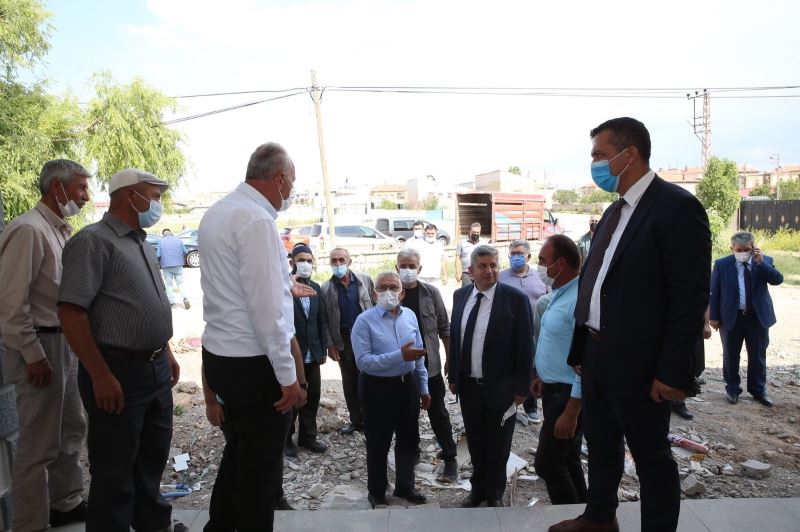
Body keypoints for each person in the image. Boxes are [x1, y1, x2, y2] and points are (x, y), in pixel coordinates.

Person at [550, 118, 711, 532]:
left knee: (651, 457)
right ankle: (599, 517)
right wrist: (582, 351)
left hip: (642, 364)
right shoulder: (613, 212)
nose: (594, 164)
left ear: (630, 154)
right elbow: (596, 283)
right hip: (598, 355)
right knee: (601, 445)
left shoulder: (676, 207)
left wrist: (671, 371)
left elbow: (689, 297)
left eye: (600, 155)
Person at [57, 168, 186, 532]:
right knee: (114, 469)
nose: (157, 204)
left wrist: (165, 350)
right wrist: (100, 374)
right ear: (131, 196)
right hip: (117, 371)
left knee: (151, 458)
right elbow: (71, 312)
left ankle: (153, 525)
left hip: (154, 367)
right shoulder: (93, 242)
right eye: (154, 197)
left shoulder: (140, 241)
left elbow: (144, 303)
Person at [198, 143, 306, 531]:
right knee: (260, 473)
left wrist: (283, 285)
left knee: (239, 452)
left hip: (222, 356)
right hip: (253, 363)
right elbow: (268, 312)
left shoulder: (219, 211)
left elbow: (237, 285)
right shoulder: (256, 220)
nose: (291, 191)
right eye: (291, 182)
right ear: (279, 178)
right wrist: (289, 378)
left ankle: (218, 526)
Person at [0, 159, 90, 531]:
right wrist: (32, 354)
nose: (86, 197)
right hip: (41, 345)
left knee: (71, 427)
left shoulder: (59, 230)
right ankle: (30, 523)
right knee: (38, 444)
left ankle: (65, 502)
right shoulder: (28, 230)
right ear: (57, 187)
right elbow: (11, 303)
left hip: (64, 342)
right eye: (81, 188)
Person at [448, 245, 534, 508]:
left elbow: (525, 346)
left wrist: (522, 388)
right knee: (476, 442)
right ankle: (478, 490)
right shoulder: (461, 296)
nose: (489, 271)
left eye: (493, 265)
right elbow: (456, 337)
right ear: (471, 270)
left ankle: (494, 493)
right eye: (483, 266)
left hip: (502, 388)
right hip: (469, 386)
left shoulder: (515, 299)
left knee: (498, 444)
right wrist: (454, 376)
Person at [351, 271, 430, 508]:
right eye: (382, 288)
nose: (388, 292)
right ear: (374, 294)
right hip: (377, 388)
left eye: (393, 287)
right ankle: (376, 491)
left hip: (407, 386)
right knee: (378, 441)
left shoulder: (410, 316)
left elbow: (418, 356)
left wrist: (424, 388)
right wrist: (399, 356)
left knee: (408, 439)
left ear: (402, 293)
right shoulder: (364, 321)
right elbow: (363, 361)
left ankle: (406, 486)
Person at [530, 235, 586, 505]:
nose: (539, 266)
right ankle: (587, 514)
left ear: (560, 264)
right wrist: (542, 375)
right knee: (568, 459)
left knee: (548, 464)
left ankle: (571, 516)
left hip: (568, 396)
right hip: (554, 391)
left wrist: (572, 411)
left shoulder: (578, 301)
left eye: (543, 261)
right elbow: (557, 343)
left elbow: (585, 362)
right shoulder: (560, 294)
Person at [395, 248, 458, 482]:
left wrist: (450, 359)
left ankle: (449, 457)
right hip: (401, 368)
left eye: (412, 266)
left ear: (419, 269)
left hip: (430, 366)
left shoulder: (431, 293)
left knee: (438, 413)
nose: (407, 270)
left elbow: (444, 328)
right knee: (405, 415)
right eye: (403, 266)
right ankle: (412, 453)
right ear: (396, 268)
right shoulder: (391, 294)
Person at [710, 231, 784, 407]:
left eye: (746, 249)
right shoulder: (722, 264)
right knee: (731, 355)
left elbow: (778, 279)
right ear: (732, 248)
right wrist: (714, 317)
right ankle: (732, 389)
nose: (743, 252)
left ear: (753, 248)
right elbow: (714, 292)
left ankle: (758, 390)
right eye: (739, 249)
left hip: (757, 318)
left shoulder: (764, 261)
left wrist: (760, 263)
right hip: (731, 317)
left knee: (758, 356)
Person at [320, 248, 374, 435]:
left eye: (341, 260)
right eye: (334, 260)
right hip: (342, 339)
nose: (338, 264)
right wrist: (330, 344)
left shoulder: (364, 280)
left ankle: (373, 418)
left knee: (369, 377)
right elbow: (324, 319)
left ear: (349, 262)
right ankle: (357, 421)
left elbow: (375, 305)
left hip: (365, 336)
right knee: (349, 381)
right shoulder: (326, 288)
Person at [285, 243, 331, 455]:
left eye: (309, 260)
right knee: (293, 398)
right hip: (292, 355)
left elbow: (321, 320)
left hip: (313, 353)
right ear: (292, 262)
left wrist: (323, 349)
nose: (305, 264)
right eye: (301, 260)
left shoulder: (316, 287)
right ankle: (286, 440)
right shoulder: (284, 288)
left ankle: (308, 437)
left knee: (312, 397)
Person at [498, 238, 549, 423]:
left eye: (519, 254)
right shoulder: (501, 276)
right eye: (512, 254)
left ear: (528, 256)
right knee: (509, 366)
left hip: (535, 331)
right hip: (508, 332)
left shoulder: (541, 277)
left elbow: (550, 299)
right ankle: (508, 403)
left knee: (531, 367)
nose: (516, 257)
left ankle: (531, 406)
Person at [671, 308, 712, 421]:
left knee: (686, 363)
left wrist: (706, 324)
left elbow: (705, 301)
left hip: (688, 323)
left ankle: (678, 401)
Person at [157, 228, 191, 309]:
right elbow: (186, 251)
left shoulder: (161, 241)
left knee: (169, 285)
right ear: (170, 233)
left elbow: (158, 255)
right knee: (180, 283)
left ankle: (172, 304)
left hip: (166, 266)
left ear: (163, 234)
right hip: (178, 265)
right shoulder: (178, 239)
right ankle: (185, 298)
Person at [455, 222, 483, 287]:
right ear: (470, 231)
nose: (476, 234)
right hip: (467, 274)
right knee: (466, 292)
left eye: (477, 232)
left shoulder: (484, 243)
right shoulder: (462, 243)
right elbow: (457, 258)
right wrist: (457, 272)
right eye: (474, 232)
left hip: (480, 273)